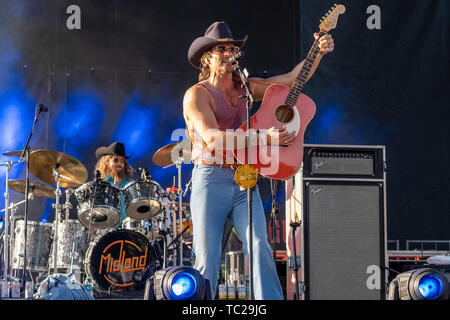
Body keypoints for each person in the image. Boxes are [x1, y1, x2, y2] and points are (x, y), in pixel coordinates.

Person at [183, 21, 334, 299]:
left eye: (233, 48)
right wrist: (264, 137)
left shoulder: (246, 88)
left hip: (244, 179)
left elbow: (290, 81)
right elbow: (213, 138)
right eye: (222, 49)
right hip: (211, 177)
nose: (229, 53)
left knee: (259, 246)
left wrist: (317, 51)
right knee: (207, 255)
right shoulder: (197, 95)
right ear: (207, 57)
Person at [94, 141, 134, 225]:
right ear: (107, 162)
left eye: (122, 161)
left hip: (129, 230)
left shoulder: (131, 183)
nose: (119, 164)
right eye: (115, 160)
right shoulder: (101, 184)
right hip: (108, 229)